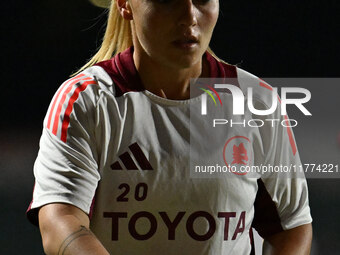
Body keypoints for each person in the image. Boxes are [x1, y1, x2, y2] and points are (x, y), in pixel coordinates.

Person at [27, 0, 313, 254]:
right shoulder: (85, 100)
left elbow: (292, 225)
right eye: (166, 0)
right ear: (125, 5)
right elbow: (59, 221)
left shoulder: (257, 101)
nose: (189, 15)